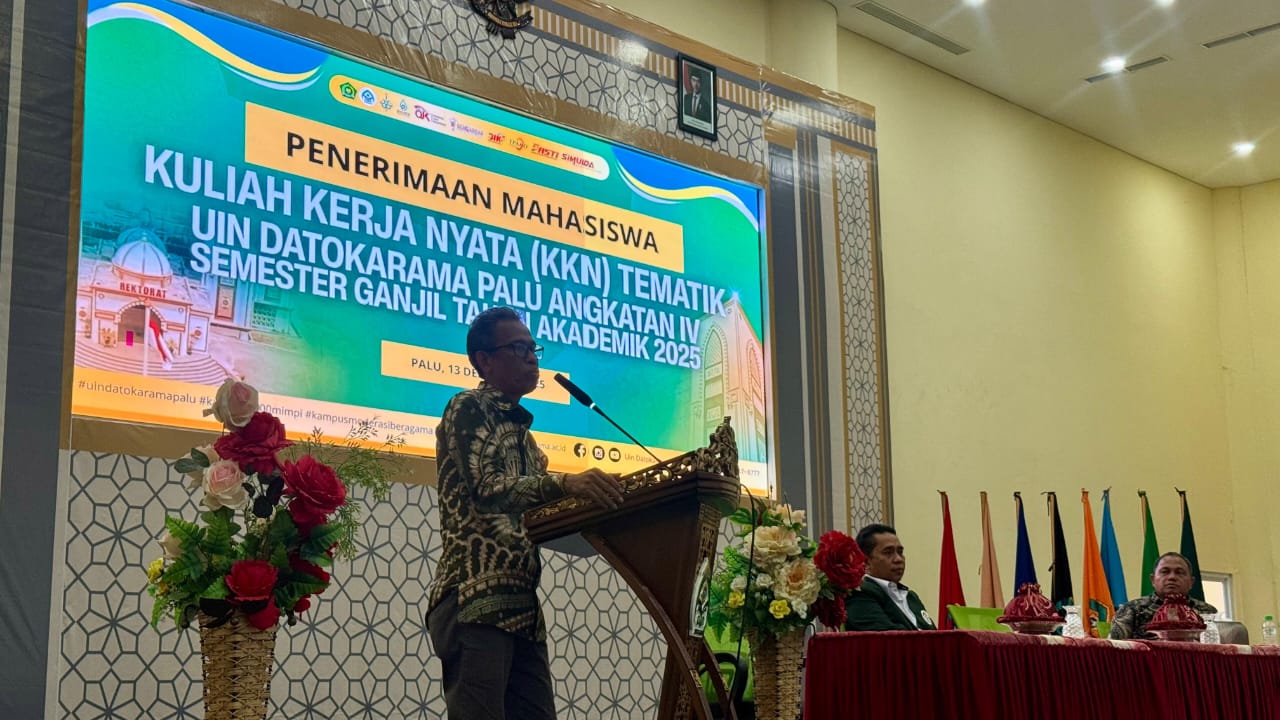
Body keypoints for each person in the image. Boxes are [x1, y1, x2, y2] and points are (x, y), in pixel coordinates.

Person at [426, 307, 625, 720]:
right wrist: (567, 484)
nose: (532, 358)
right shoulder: (467, 407)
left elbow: (542, 515)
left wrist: (609, 505)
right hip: (475, 601)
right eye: (519, 348)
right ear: (484, 360)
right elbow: (487, 488)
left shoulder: (529, 445)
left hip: (523, 610)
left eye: (534, 348)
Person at [844, 523, 937, 631]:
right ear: (866, 562)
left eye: (900, 552)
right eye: (888, 553)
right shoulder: (859, 593)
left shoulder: (911, 597)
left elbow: (935, 634)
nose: (898, 559)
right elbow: (888, 637)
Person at [1109, 551, 1217, 640]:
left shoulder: (1207, 611)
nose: (1172, 577)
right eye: (1165, 572)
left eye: (1179, 572)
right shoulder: (1131, 609)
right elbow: (1115, 649)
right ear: (1153, 580)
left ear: (1191, 582)